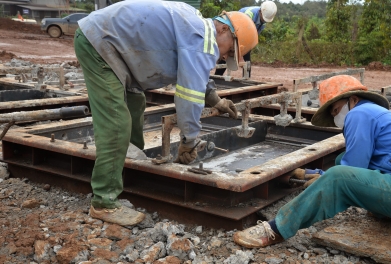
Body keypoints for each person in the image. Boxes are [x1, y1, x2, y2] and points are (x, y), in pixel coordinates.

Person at [74, 0, 258, 226]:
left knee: (135, 104)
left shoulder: (197, 29)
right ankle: (104, 202)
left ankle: (129, 163)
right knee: (117, 123)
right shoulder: (201, 39)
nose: (222, 57)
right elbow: (188, 97)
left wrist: (215, 100)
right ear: (223, 29)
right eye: (229, 50)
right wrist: (189, 141)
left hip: (119, 53)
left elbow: (193, 72)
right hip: (100, 45)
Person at [233, 75, 391, 248]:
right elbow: (355, 163)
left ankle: (276, 229)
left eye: (336, 110)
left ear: (353, 99)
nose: (337, 118)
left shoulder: (360, 114)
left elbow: (350, 172)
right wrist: (318, 175)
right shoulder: (376, 113)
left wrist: (325, 180)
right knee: (338, 161)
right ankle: (385, 211)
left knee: (338, 176)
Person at [214, 1, 277, 78]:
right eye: (263, 18)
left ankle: (246, 80)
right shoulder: (249, 14)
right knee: (225, 54)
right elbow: (241, 31)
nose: (264, 20)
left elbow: (254, 35)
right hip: (234, 36)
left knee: (247, 63)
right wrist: (239, 55)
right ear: (260, 11)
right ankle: (216, 77)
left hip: (245, 39)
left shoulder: (263, 21)